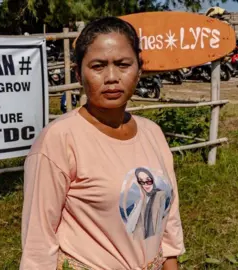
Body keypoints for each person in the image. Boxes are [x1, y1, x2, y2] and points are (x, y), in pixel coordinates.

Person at [20, 17, 185, 270]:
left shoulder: (152, 133)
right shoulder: (60, 139)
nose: (111, 77)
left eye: (123, 65)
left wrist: (170, 261)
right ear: (78, 73)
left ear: (139, 69)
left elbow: (168, 215)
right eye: (98, 66)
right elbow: (38, 240)